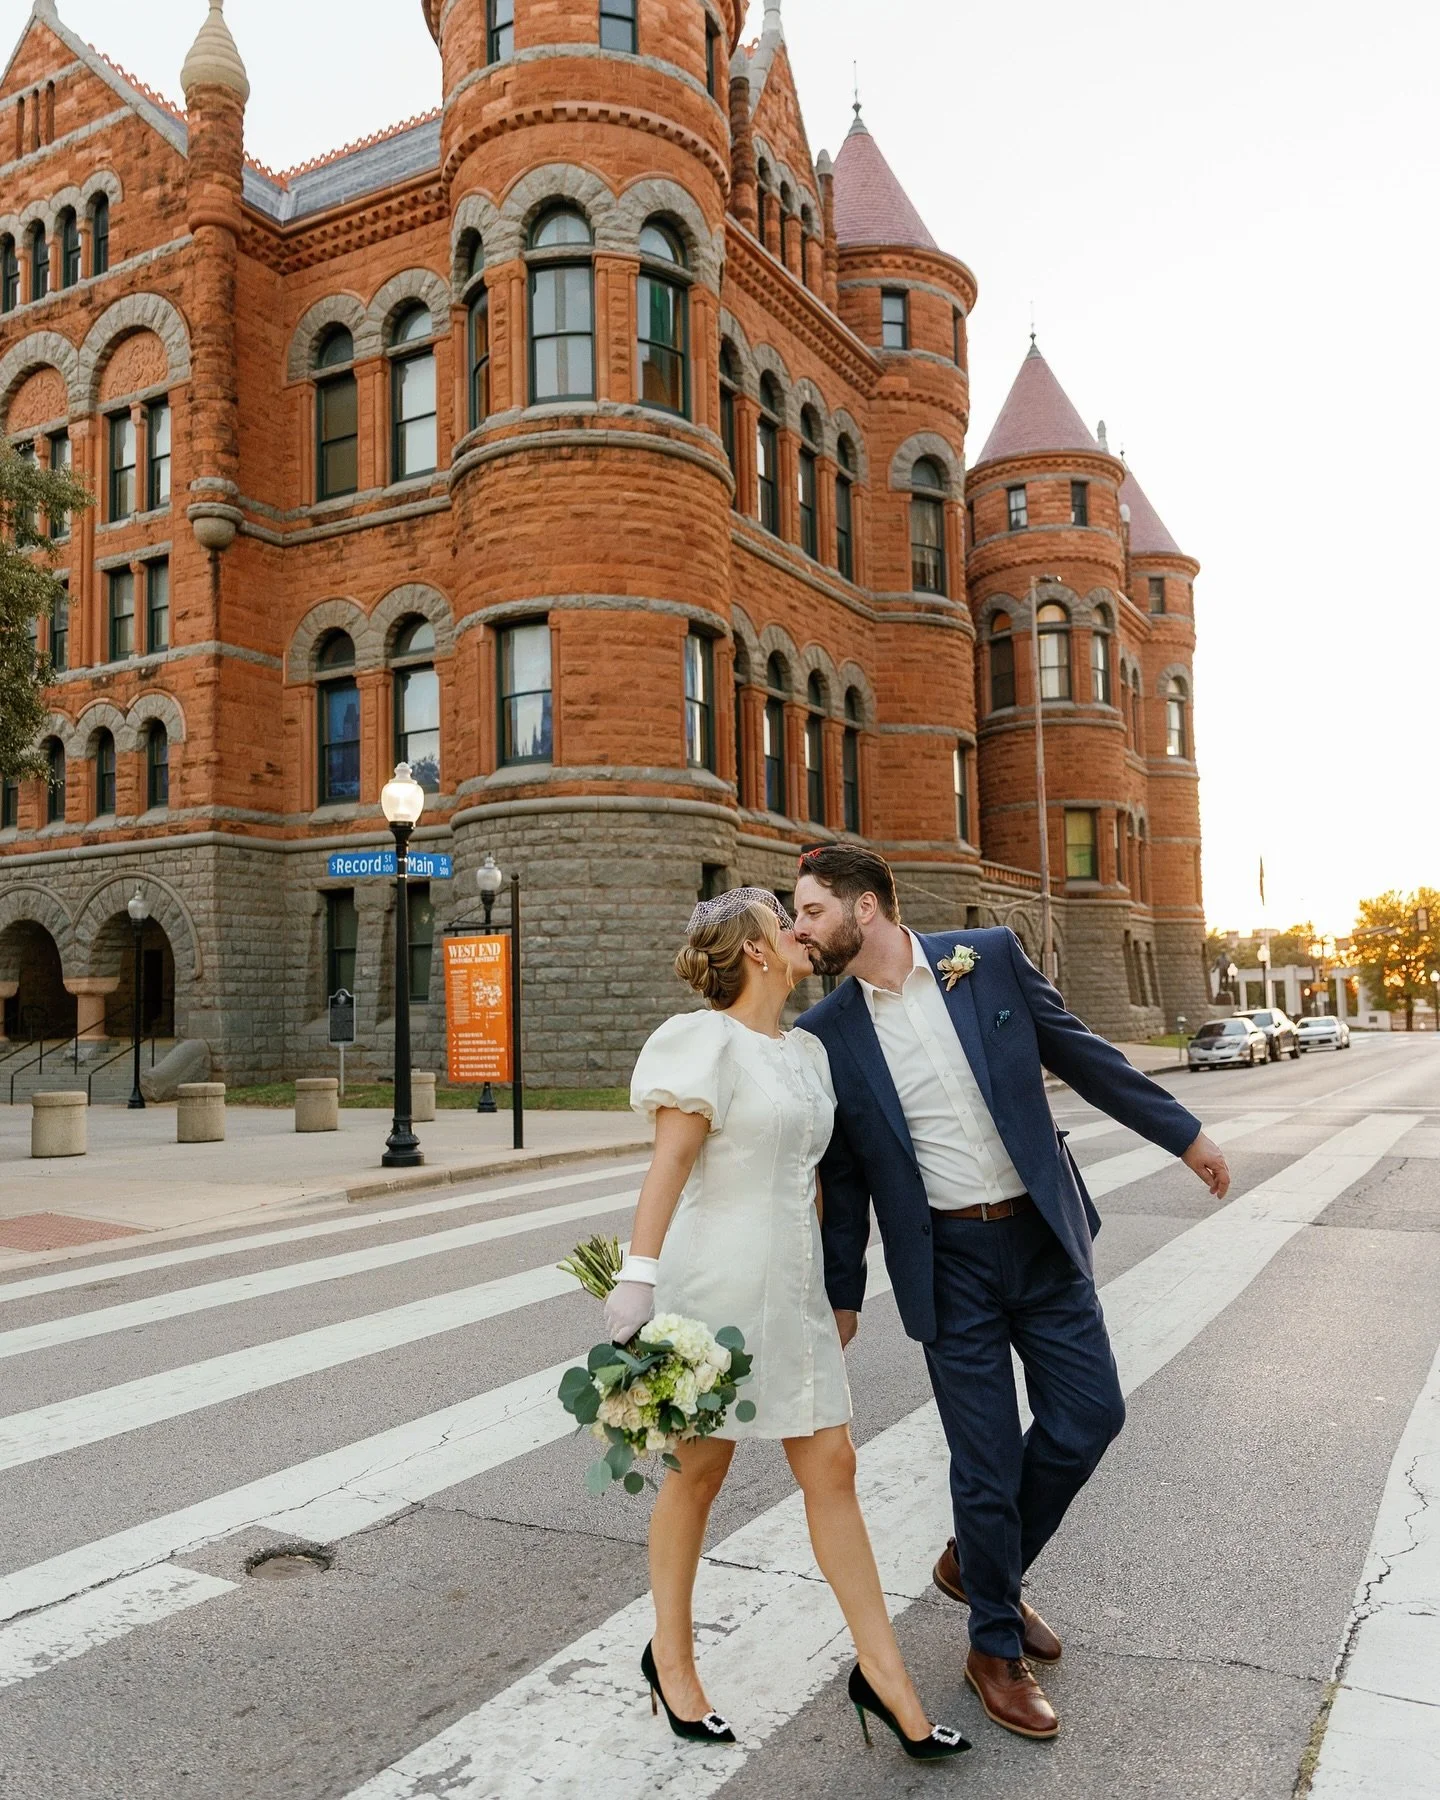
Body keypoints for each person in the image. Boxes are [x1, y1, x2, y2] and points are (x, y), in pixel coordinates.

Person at [792, 846, 1230, 1740]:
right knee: (984, 1460)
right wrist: (844, 1299)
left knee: (1090, 1416)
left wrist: (1183, 1136)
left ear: (864, 907)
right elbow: (842, 1187)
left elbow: (1084, 1055)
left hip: (1041, 1235)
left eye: (808, 912)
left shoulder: (985, 955)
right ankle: (993, 1643)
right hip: (946, 1260)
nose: (799, 930)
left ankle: (980, 1565)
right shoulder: (828, 1034)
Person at [604, 888, 968, 1762]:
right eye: (785, 923)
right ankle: (674, 1662)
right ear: (758, 953)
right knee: (699, 1473)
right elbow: (671, 1165)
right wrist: (638, 1277)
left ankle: (886, 1680)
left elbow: (817, 1181)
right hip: (712, 1286)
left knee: (834, 1467)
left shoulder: (805, 1053)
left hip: (793, 1288)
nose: (802, 933)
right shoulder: (704, 1042)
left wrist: (834, 1291)